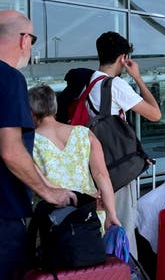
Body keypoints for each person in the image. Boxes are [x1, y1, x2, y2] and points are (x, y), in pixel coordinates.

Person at [0, 10, 76, 280]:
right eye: (33, 39)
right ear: (22, 40)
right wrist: (49, 193)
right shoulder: (9, 79)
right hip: (2, 214)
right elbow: (12, 152)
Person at [88, 32, 161, 260]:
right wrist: (137, 77)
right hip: (117, 169)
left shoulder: (89, 82)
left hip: (96, 166)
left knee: (104, 226)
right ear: (123, 58)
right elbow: (156, 114)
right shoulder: (115, 85)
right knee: (123, 226)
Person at [29, 85, 120, 231]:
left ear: (31, 112)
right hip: (91, 213)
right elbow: (102, 175)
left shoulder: (29, 141)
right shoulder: (84, 133)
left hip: (55, 215)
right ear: (55, 108)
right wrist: (111, 213)